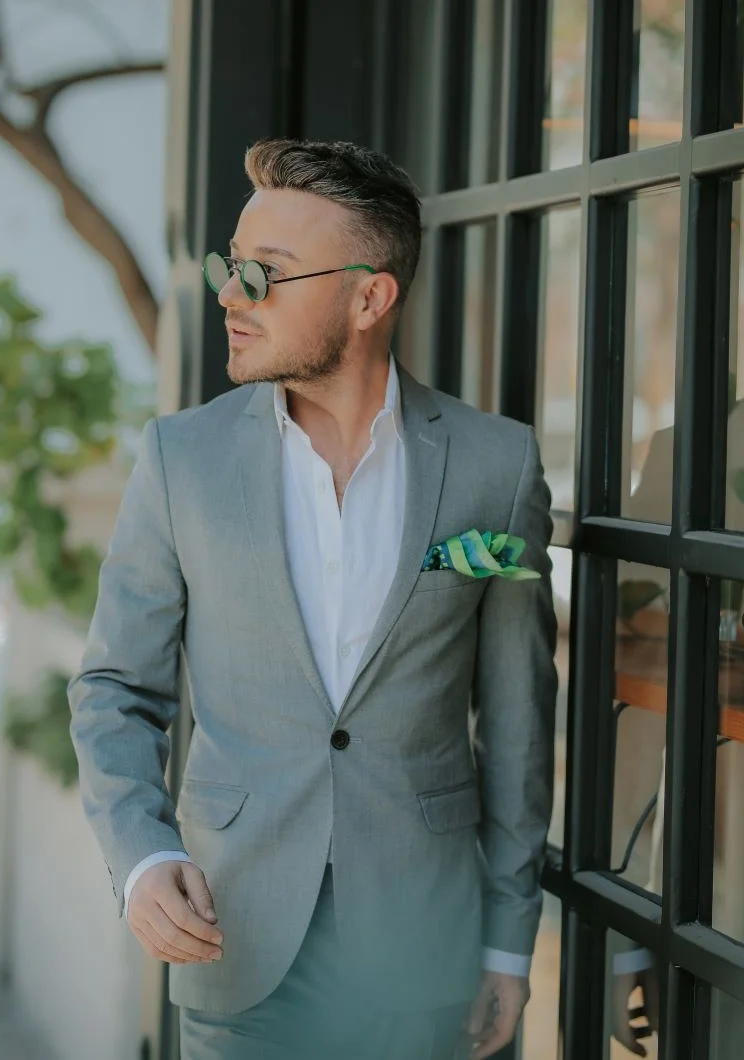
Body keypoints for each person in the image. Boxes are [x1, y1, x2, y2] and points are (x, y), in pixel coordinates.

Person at [69, 138, 558, 1060]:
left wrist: (505, 940)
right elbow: (112, 691)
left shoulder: (496, 468)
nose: (230, 293)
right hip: (236, 935)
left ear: (370, 296)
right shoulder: (183, 460)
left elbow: (519, 727)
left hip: (424, 954)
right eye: (231, 266)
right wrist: (142, 858)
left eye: (267, 273)